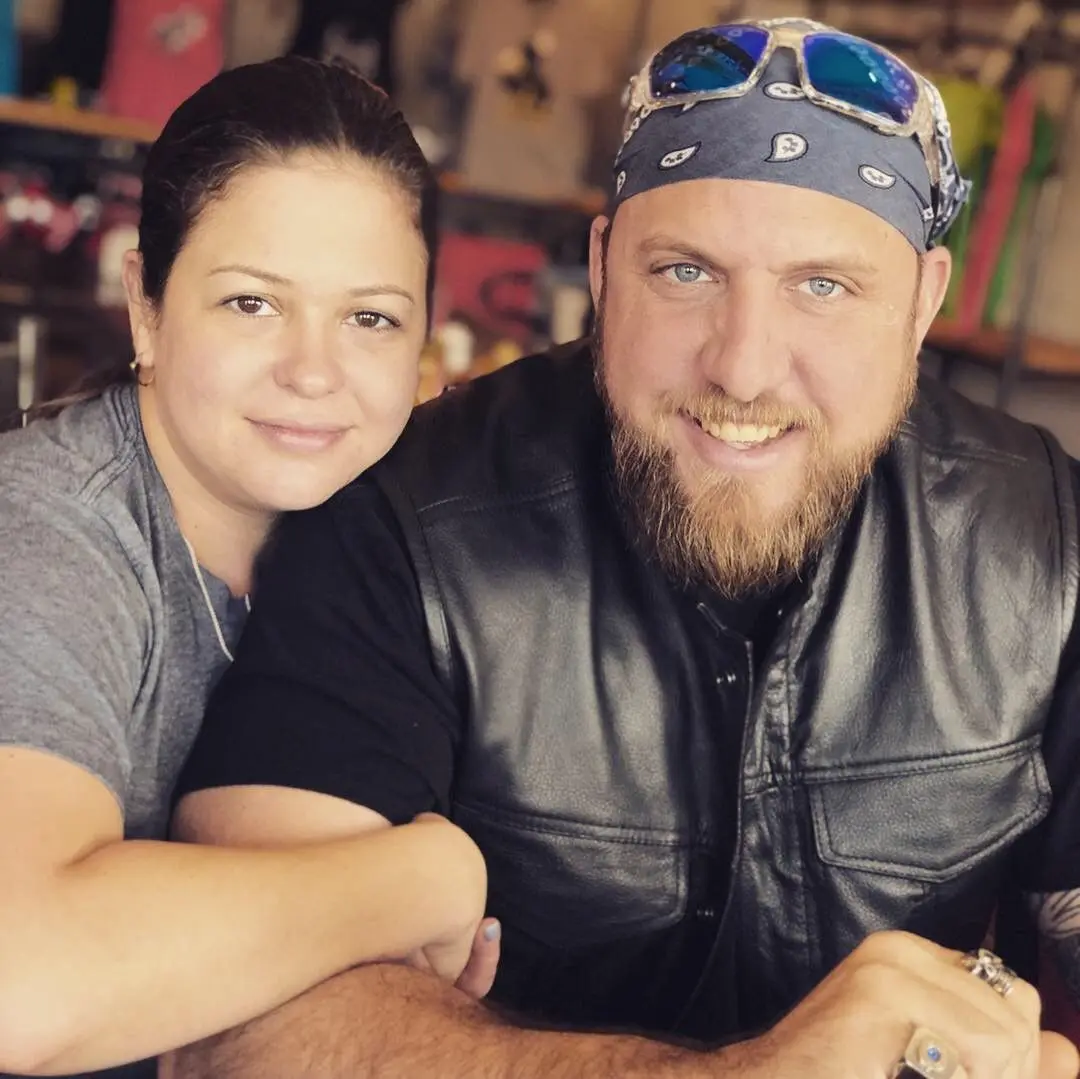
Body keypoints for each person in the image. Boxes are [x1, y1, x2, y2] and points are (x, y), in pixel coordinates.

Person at [172, 18, 1080, 1079]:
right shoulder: (400, 519)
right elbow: (239, 1021)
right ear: (604, 269)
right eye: (686, 271)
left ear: (922, 302)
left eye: (823, 286)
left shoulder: (1047, 545)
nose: (743, 367)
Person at [0, 56, 500, 1079]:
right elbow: (21, 981)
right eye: (251, 304)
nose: (313, 370)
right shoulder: (50, 529)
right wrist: (426, 873)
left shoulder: (397, 537)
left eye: (370, 317)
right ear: (147, 304)